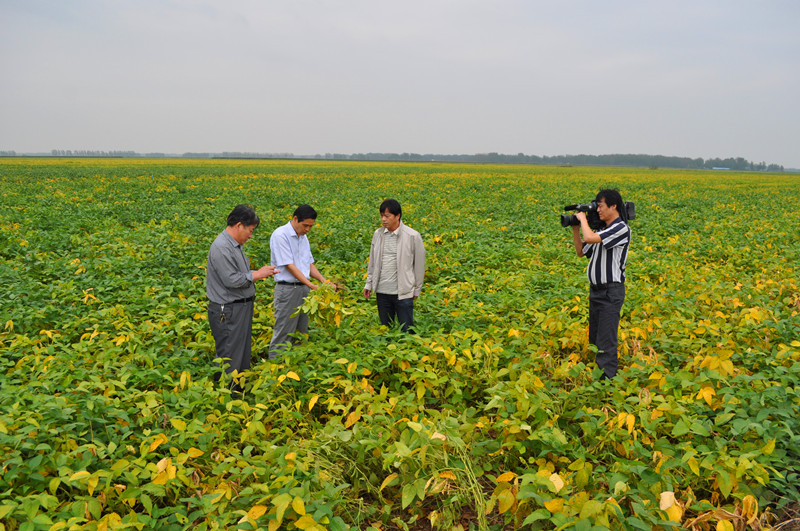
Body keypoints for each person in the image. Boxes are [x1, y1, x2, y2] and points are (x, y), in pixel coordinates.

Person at [207, 205, 279, 388]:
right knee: (229, 354)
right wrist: (257, 274)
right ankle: (226, 393)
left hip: (239, 308)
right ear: (239, 225)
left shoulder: (234, 246)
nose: (250, 235)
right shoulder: (222, 247)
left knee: (240, 352)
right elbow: (231, 280)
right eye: (250, 230)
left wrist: (256, 273)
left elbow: (238, 274)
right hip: (229, 310)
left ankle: (238, 391)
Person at [571, 189, 631, 379]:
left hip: (610, 292)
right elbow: (581, 251)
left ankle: (607, 382)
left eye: (600, 206)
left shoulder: (621, 228)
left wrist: (583, 219)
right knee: (596, 338)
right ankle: (599, 378)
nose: (597, 210)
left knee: (606, 341)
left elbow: (589, 238)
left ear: (613, 206)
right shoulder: (602, 231)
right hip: (596, 292)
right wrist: (575, 228)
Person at [268, 205, 339, 357]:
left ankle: (297, 362)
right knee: (284, 331)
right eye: (305, 225)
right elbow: (289, 266)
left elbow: (308, 264)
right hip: (288, 289)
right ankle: (275, 364)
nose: (307, 229)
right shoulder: (280, 235)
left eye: (311, 226)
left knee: (301, 331)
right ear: (295, 219)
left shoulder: (303, 237)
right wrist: (311, 285)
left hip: (303, 289)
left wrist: (323, 281)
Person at [363, 199, 426, 332]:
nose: (383, 219)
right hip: (382, 291)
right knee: (386, 330)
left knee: (407, 331)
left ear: (397, 216)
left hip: (403, 292)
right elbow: (373, 262)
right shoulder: (378, 234)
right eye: (382, 216)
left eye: (387, 216)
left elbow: (419, 266)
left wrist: (417, 289)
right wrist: (369, 283)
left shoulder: (412, 236)